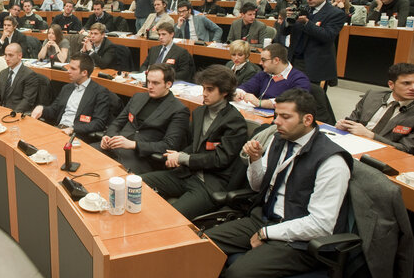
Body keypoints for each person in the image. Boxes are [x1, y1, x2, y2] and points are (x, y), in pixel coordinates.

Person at [205, 89, 352, 278]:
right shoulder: (279, 139)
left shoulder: (331, 161)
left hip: (299, 239)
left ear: (307, 119)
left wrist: (266, 233)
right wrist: (254, 161)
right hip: (265, 217)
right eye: (276, 115)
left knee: (238, 276)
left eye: (285, 116)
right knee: (204, 247)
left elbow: (321, 225)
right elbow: (257, 186)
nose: (276, 122)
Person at [141, 65, 248, 218]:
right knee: (138, 183)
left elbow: (220, 159)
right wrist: (181, 154)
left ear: (224, 92)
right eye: (203, 88)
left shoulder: (235, 122)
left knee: (171, 216)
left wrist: (184, 158)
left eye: (210, 90)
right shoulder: (199, 112)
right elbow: (197, 146)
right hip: (188, 174)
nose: (204, 94)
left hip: (210, 183)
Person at [99, 63, 190, 174]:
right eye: (148, 82)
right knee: (87, 157)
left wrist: (134, 145)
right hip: (116, 147)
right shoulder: (138, 97)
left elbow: (169, 145)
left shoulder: (179, 110)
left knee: (114, 177)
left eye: (155, 83)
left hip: (143, 157)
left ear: (168, 84)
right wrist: (109, 136)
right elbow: (117, 123)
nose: (150, 86)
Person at [336, 62, 414, 154]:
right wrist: (345, 126)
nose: (413, 88)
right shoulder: (372, 96)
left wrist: (371, 136)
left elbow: (406, 149)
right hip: (354, 146)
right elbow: (353, 120)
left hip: (385, 156)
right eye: (406, 83)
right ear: (391, 84)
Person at [279, 0, 346, 83]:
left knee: (312, 97)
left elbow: (327, 36)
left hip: (315, 65)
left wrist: (306, 23)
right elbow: (283, 32)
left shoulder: (335, 13)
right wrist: (287, 20)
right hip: (294, 60)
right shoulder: (302, 9)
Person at [31, 54, 109, 141]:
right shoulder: (67, 88)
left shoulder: (99, 92)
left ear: (84, 73)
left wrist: (73, 129)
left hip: (77, 135)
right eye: (69, 67)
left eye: (73, 69)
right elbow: (54, 110)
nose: (68, 71)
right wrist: (41, 108)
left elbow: (98, 123)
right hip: (58, 129)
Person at [234, 43, 311, 108]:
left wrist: (260, 103)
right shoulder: (263, 74)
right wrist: (239, 92)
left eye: (263, 60)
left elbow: (295, 102)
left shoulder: (299, 79)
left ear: (276, 60)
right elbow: (246, 87)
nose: (260, 63)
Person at [0, 42, 39, 114]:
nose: (7, 58)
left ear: (20, 56)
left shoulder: (29, 75)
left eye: (10, 55)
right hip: (1, 110)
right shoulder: (3, 73)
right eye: (5, 55)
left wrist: (14, 113)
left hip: (16, 113)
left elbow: (27, 101)